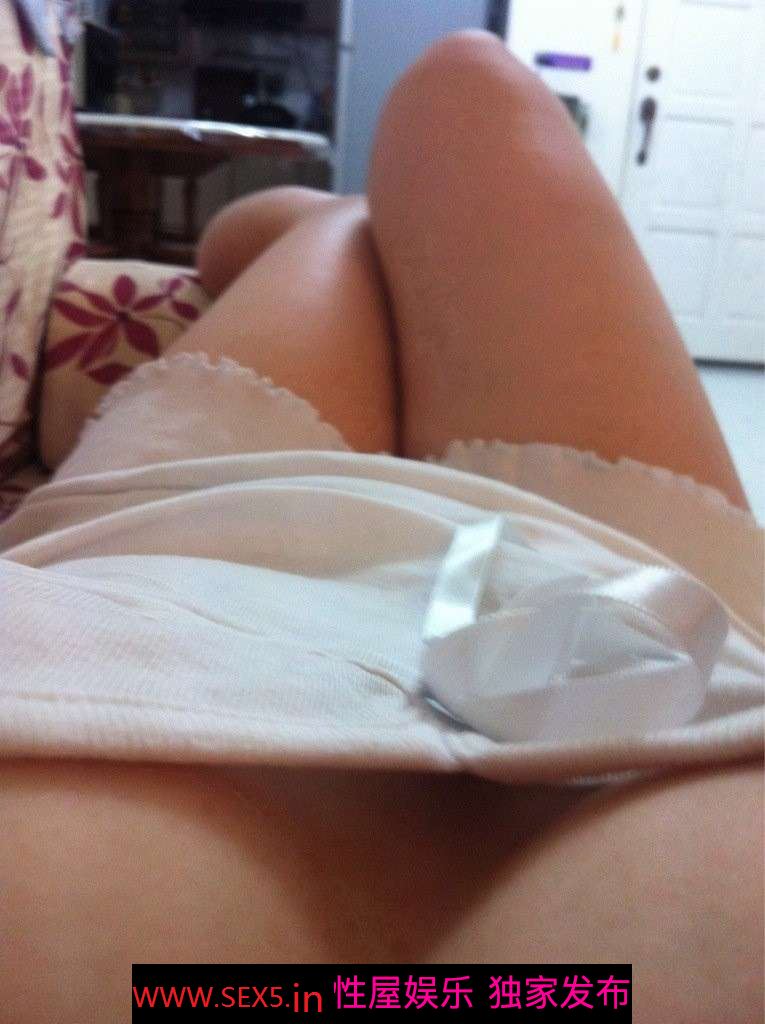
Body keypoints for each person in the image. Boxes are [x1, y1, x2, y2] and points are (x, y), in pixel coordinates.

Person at [1, 31, 762, 1023]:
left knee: (422, 133)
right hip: (635, 604)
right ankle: (333, 230)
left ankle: (330, 227)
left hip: (177, 550)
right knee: (465, 82)